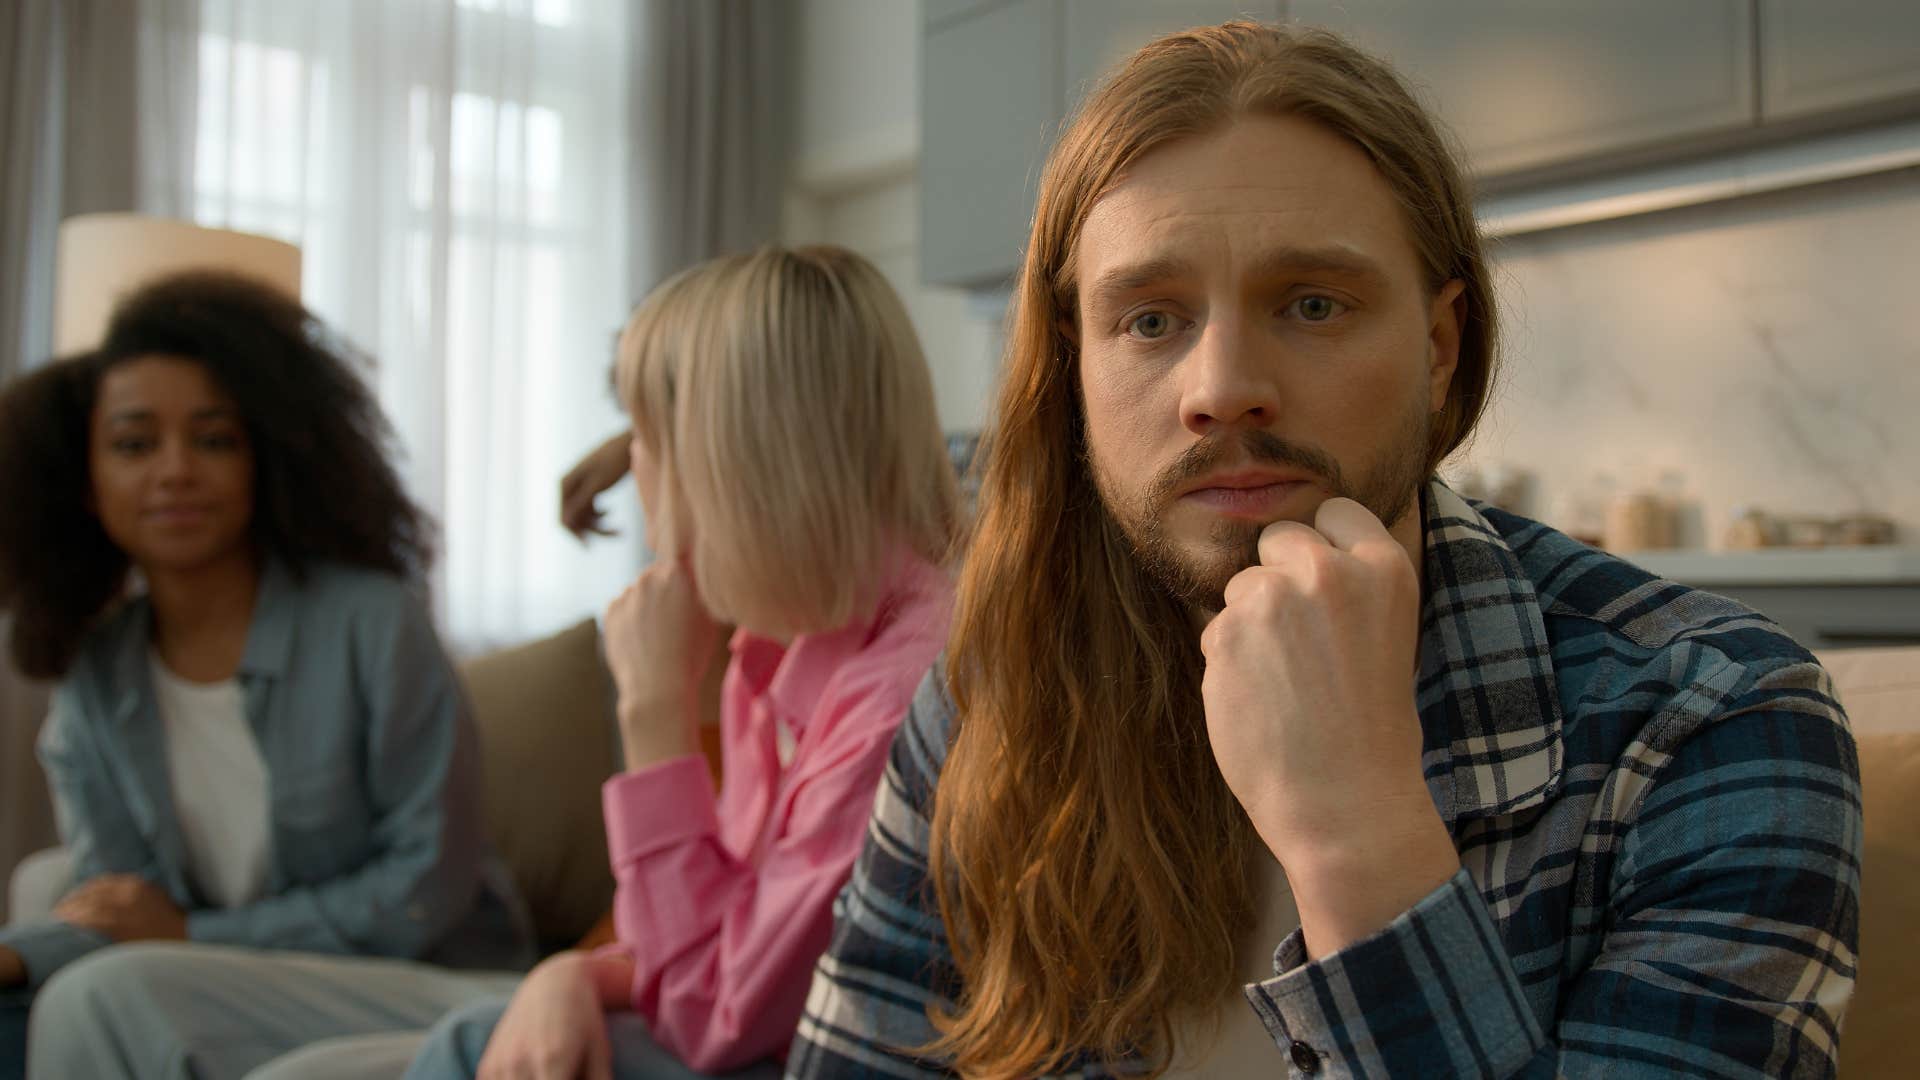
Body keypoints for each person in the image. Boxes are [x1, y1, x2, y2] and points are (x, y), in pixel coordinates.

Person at [789, 22, 1859, 1079]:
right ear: (1075, 367)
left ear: (1440, 349)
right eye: (1150, 321)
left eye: (1312, 304)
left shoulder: (1714, 719)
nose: (1220, 389)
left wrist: (1359, 836)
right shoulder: (988, 697)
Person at [337, 243, 957, 1079]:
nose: (632, 465)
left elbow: (716, 1017)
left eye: (647, 437)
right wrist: (579, 972)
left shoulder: (901, 699)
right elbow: (723, 936)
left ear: (731, 463)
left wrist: (654, 712)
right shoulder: (777, 650)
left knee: (466, 1049)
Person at [0, 271, 531, 1080]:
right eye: (134, 444)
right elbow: (122, 909)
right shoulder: (98, 673)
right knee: (50, 931)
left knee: (100, 998)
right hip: (228, 979)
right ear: (85, 483)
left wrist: (193, 941)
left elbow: (424, 891)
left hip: (437, 977)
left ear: (266, 457)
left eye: (213, 438)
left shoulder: (371, 622)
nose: (175, 471)